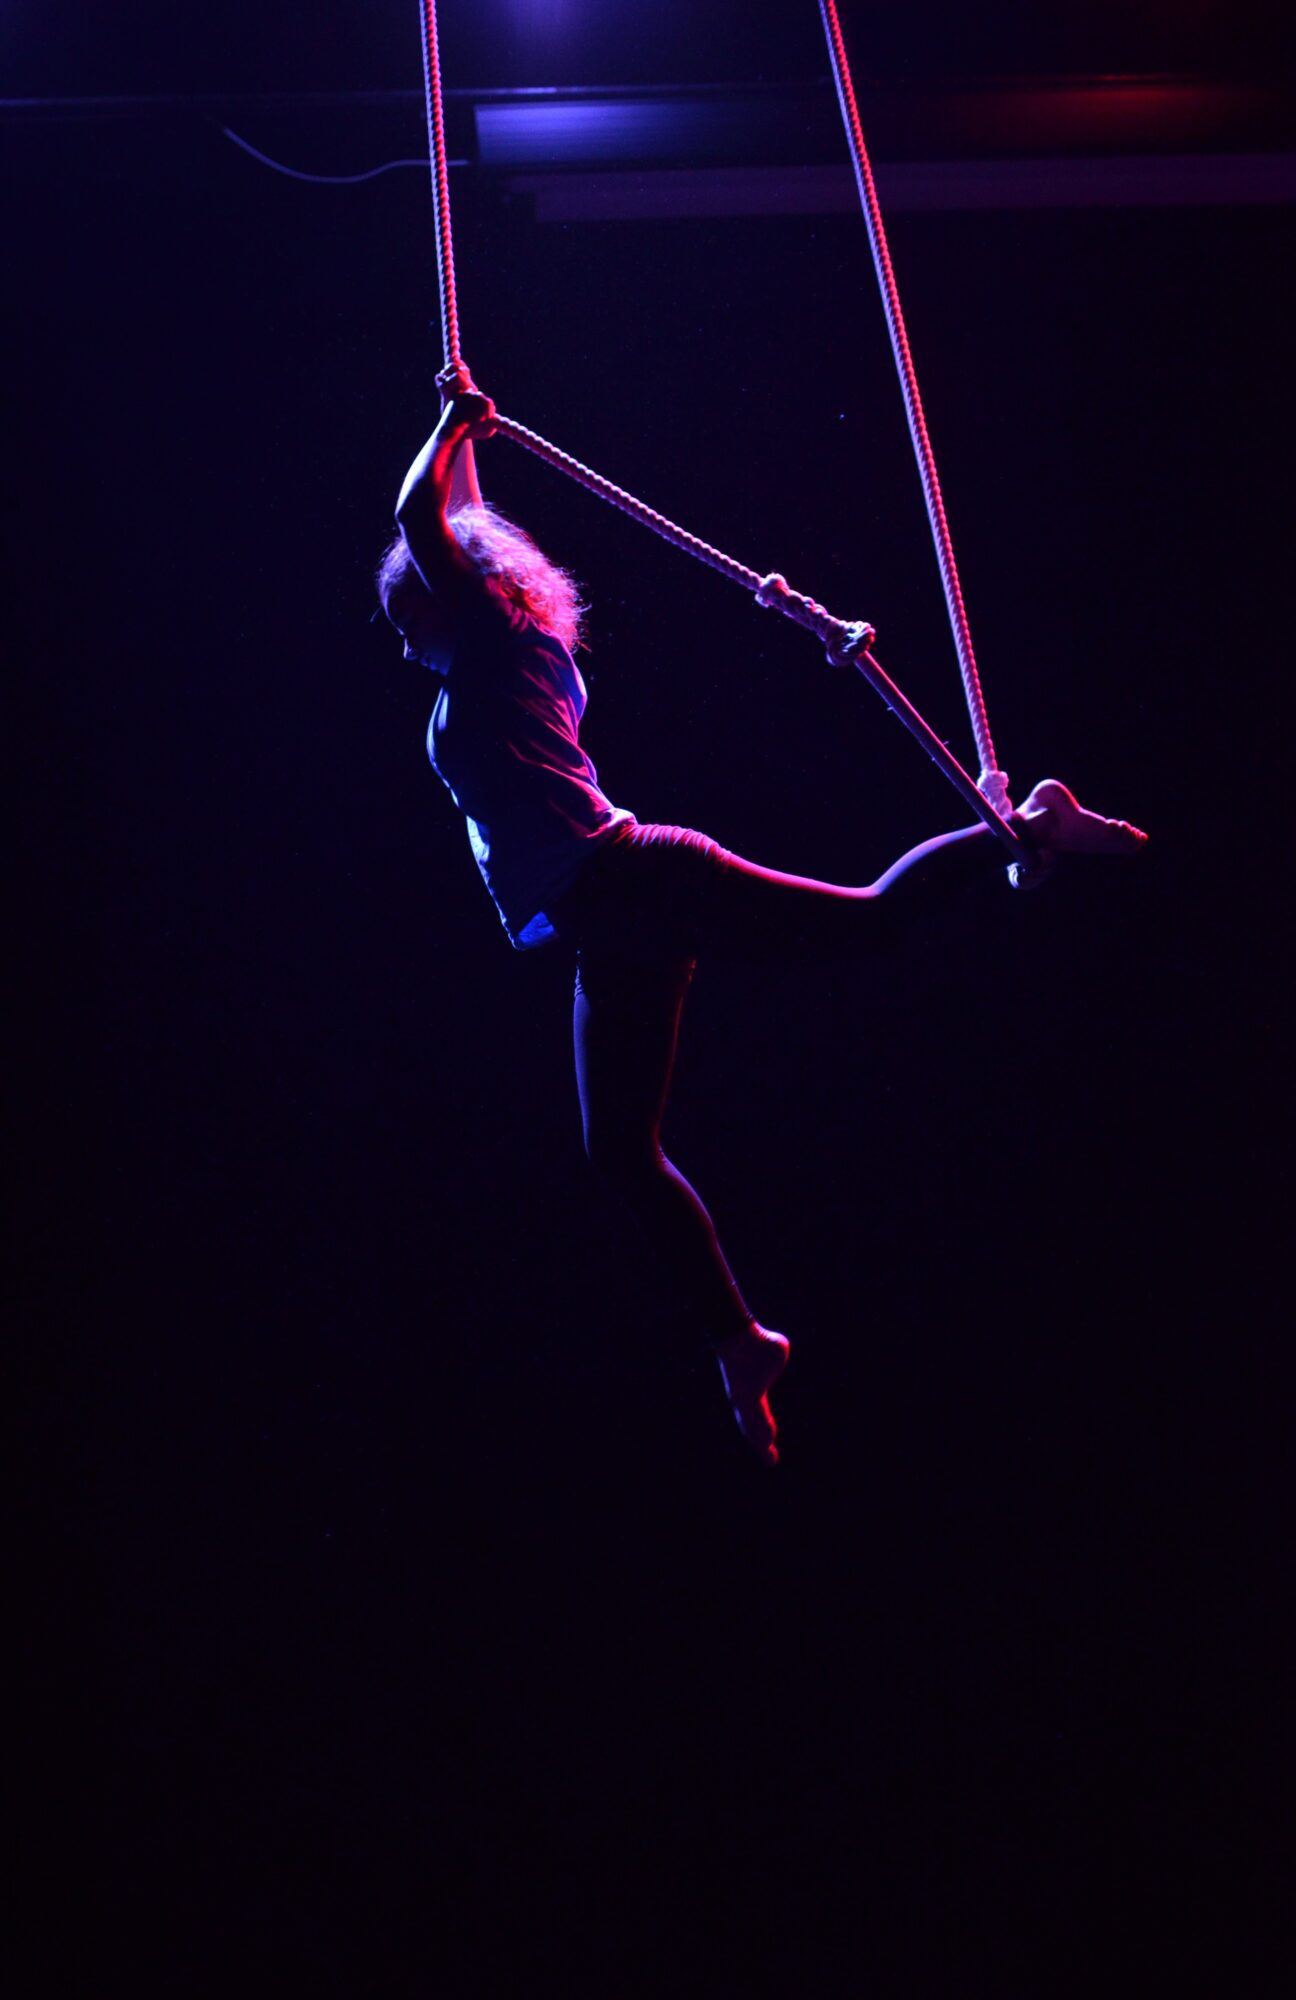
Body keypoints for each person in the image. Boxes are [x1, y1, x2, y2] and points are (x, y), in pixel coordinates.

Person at [379, 368, 1147, 1466]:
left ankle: (1022, 825)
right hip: (611, 921)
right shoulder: (508, 648)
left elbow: (427, 519)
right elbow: (450, 517)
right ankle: (740, 1341)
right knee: (620, 1152)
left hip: (637, 880)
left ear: (450, 603)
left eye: (410, 618)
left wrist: (451, 426)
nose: (403, 642)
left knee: (868, 922)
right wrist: (462, 434)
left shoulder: (498, 651)